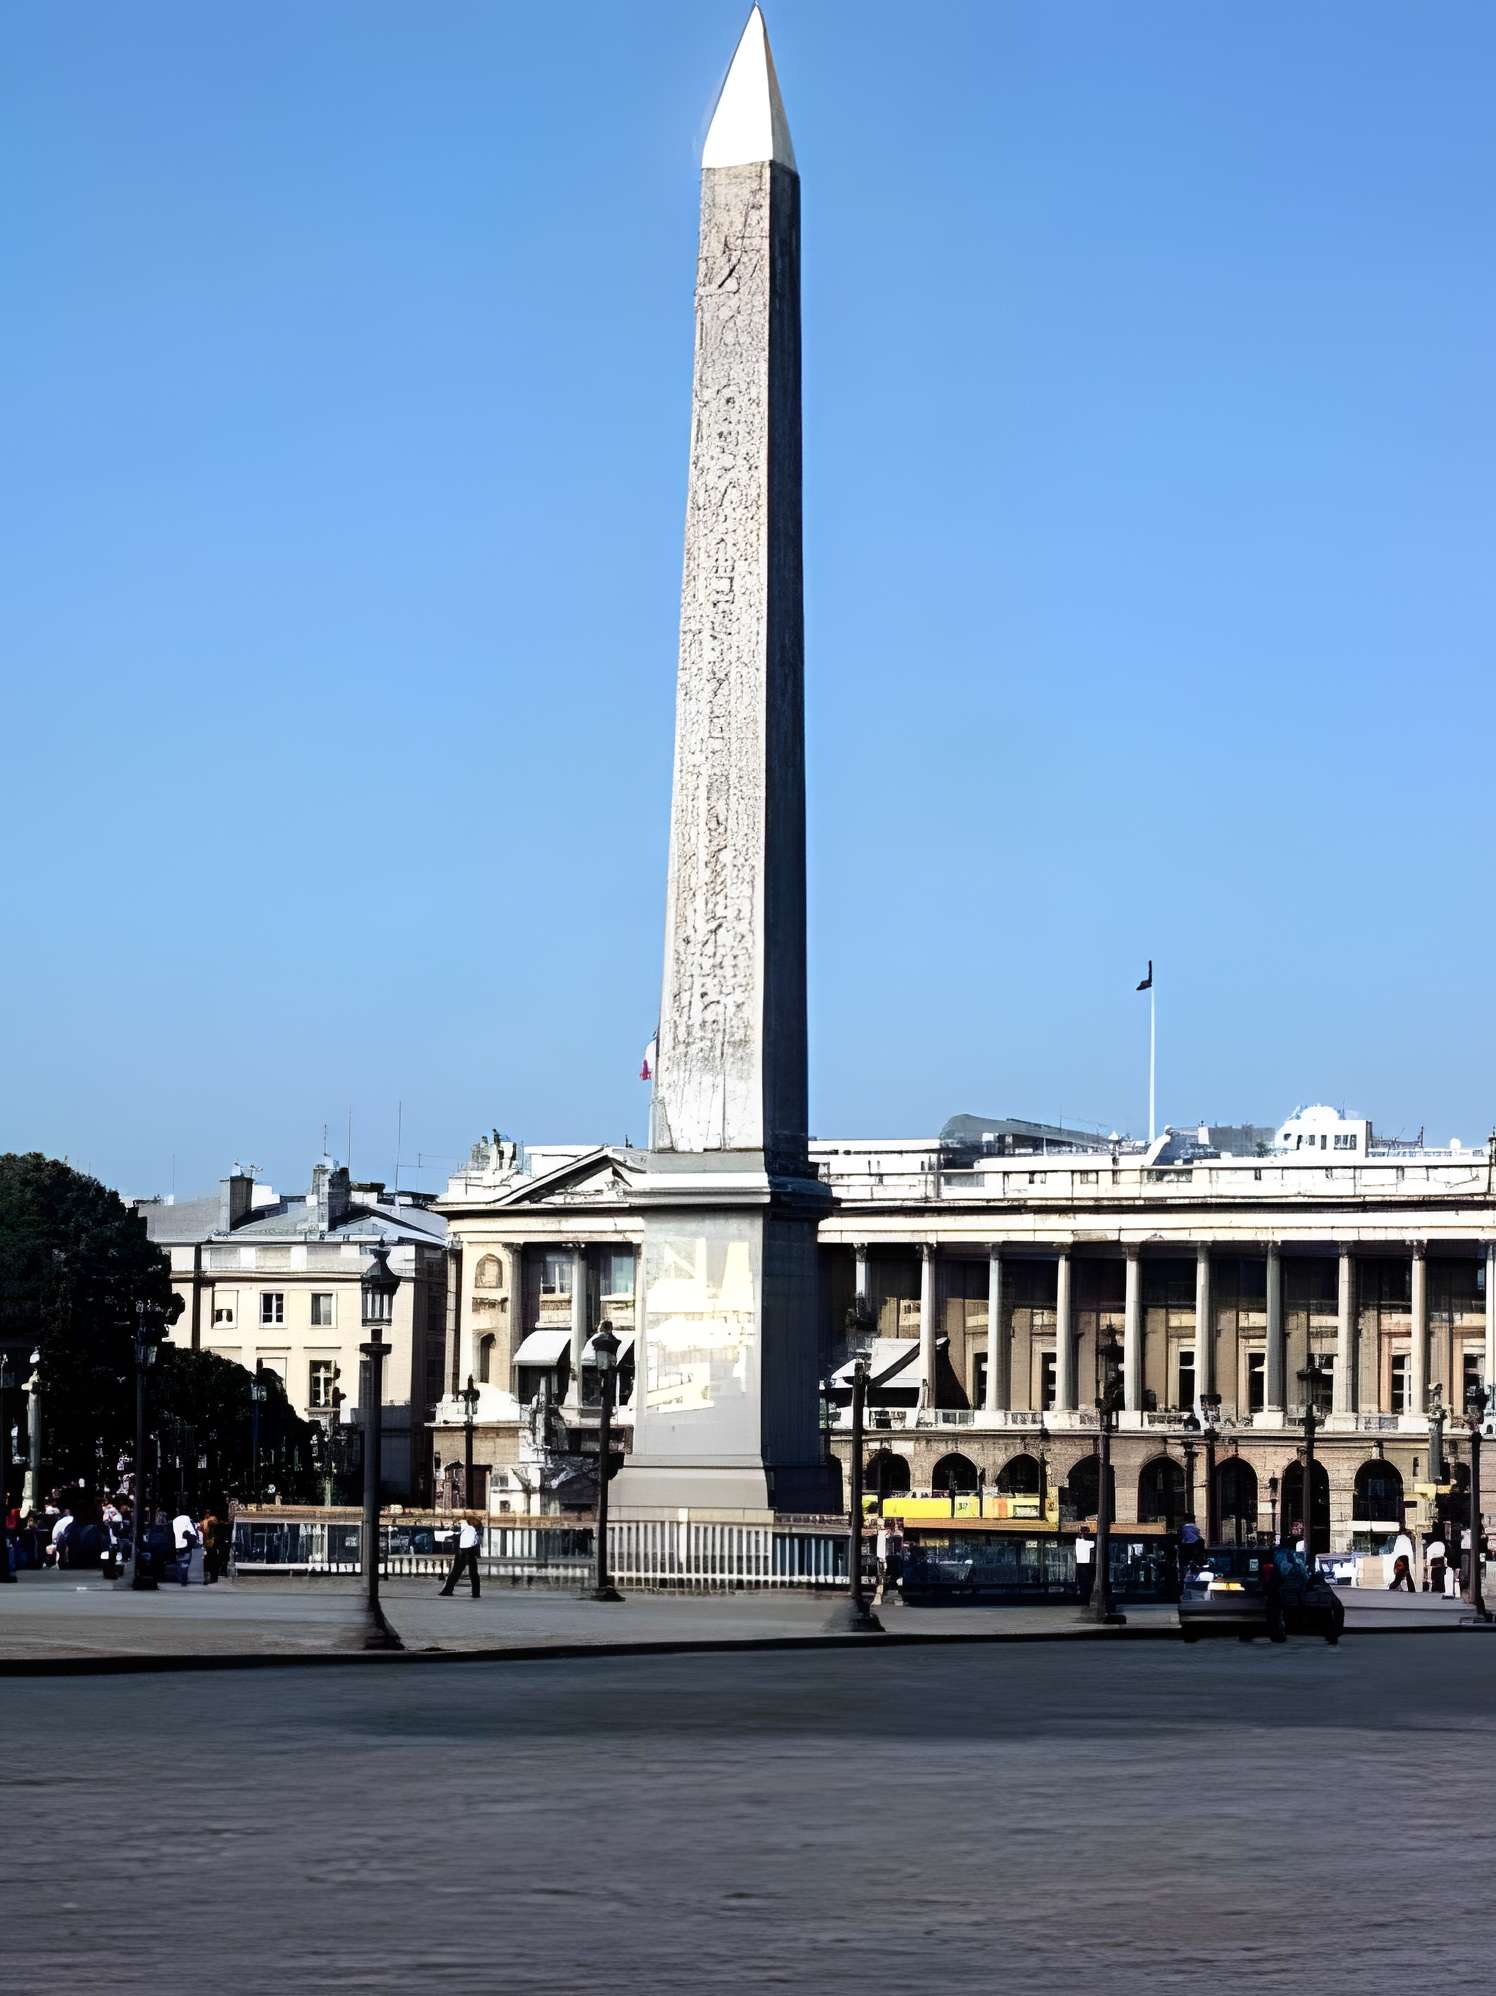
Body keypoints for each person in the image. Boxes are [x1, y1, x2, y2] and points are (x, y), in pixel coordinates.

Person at [439, 1513, 482, 1598]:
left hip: (462, 1552)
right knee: (473, 1573)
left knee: (455, 1572)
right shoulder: (473, 1529)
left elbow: (457, 1537)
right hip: (471, 1552)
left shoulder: (464, 1527)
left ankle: (447, 1590)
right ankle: (476, 1593)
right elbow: (475, 1541)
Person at [170, 1505, 201, 1587]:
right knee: (185, 1563)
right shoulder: (188, 1521)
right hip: (186, 1546)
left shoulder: (175, 1521)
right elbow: (192, 1534)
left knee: (180, 1562)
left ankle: (181, 1577)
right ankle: (183, 1579)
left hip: (178, 1545)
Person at [1388, 1526, 1416, 1592]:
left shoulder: (1399, 1539)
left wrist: (1395, 1560)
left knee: (1400, 1575)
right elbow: (1410, 1550)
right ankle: (1411, 1589)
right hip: (1406, 1558)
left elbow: (1396, 1550)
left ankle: (1393, 1586)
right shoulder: (1406, 1539)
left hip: (1400, 1558)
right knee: (1407, 1574)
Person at [1425, 1529, 1447, 1597]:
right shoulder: (1442, 1544)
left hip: (1434, 1562)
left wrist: (1428, 1564)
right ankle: (1441, 1588)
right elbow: (1445, 1554)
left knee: (1434, 1576)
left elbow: (1429, 1555)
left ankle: (1435, 1588)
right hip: (1441, 1561)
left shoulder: (1431, 1546)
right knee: (1441, 1576)